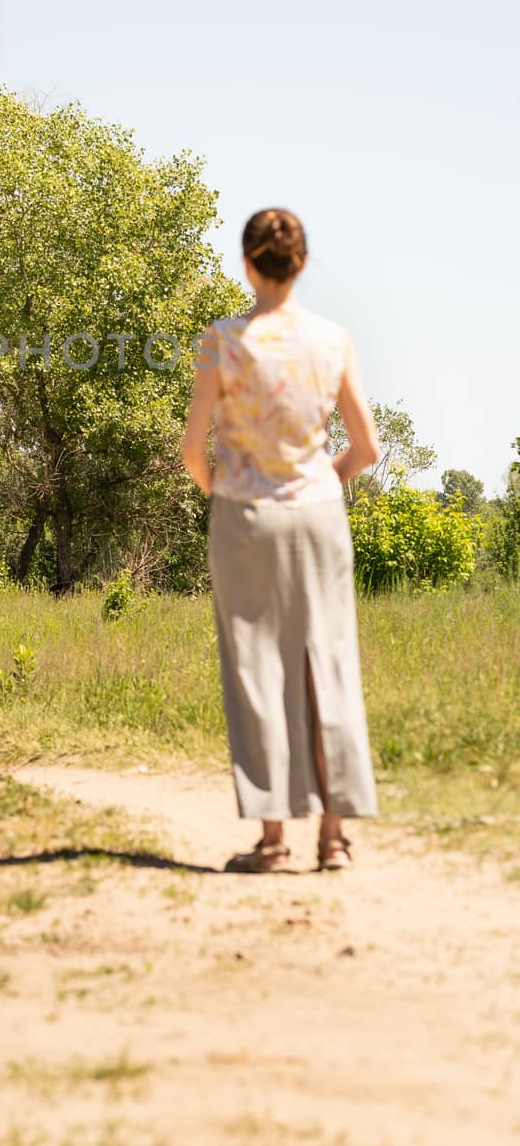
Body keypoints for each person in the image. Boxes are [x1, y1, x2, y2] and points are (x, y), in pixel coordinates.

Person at [181, 208, 381, 873]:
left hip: (246, 515)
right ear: (300, 264)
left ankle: (273, 839)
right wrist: (325, 481)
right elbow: (367, 446)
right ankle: (336, 838)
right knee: (329, 662)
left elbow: (191, 451)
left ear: (248, 264)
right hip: (319, 517)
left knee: (258, 667)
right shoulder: (334, 339)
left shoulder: (223, 340)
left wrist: (225, 491)